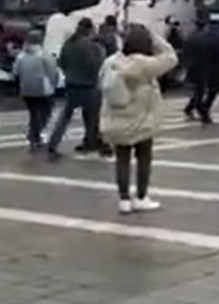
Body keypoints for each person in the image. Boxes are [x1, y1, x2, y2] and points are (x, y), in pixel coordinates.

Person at [99, 25, 178, 214]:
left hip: (116, 119)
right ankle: (141, 197)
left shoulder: (111, 62)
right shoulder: (145, 64)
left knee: (122, 159)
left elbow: (101, 84)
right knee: (143, 157)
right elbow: (171, 57)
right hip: (140, 120)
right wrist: (155, 37)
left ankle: (124, 199)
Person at [47, 18, 105, 160]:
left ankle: (53, 143)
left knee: (65, 117)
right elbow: (97, 65)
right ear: (89, 30)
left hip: (72, 85)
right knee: (92, 117)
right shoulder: (92, 47)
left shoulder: (68, 44)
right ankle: (91, 142)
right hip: (89, 86)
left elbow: (62, 63)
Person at [13, 29, 59, 152]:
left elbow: (16, 72)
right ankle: (34, 134)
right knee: (45, 112)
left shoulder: (21, 56)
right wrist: (54, 84)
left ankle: (35, 136)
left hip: (26, 89)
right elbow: (52, 71)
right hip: (43, 88)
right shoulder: (44, 55)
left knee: (33, 113)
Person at [182, 20, 209, 120]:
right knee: (200, 90)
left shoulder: (191, 37)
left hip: (192, 66)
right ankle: (197, 108)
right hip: (201, 67)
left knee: (198, 90)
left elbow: (185, 51)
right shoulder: (203, 38)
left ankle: (191, 107)